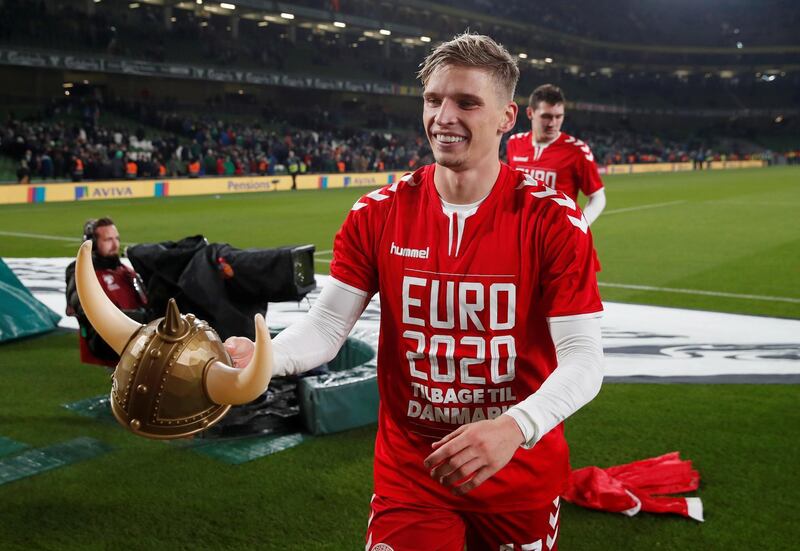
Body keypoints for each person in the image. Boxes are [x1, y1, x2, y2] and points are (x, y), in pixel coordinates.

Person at [226, 33, 604, 550]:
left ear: (506, 118)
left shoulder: (555, 221)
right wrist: (264, 358)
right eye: (433, 99)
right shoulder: (378, 212)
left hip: (518, 468)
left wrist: (517, 425)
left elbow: (584, 358)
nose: (444, 116)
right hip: (413, 473)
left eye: (467, 102)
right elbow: (329, 325)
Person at [506, 84, 606, 226]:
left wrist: (581, 224)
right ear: (530, 113)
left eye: (558, 116)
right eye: (546, 116)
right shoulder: (514, 143)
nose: (553, 123)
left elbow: (598, 196)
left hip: (555, 236)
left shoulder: (577, 150)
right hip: (519, 231)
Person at [66, 217, 149, 367]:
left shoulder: (125, 271)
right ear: (93, 244)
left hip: (134, 339)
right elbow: (86, 310)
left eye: (116, 238)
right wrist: (142, 317)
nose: (115, 244)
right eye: (108, 240)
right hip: (104, 342)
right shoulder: (81, 271)